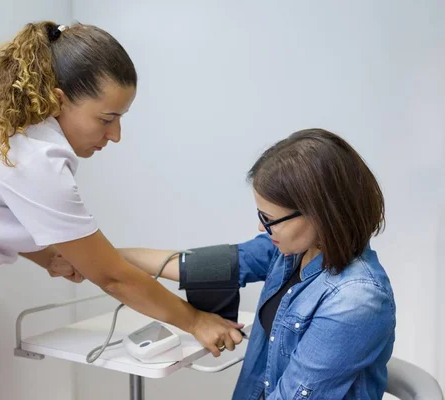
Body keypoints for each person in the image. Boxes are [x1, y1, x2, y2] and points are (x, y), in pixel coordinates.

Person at [0, 21, 243, 400]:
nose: (116, 135)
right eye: (107, 119)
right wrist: (195, 321)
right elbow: (112, 276)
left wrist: (49, 256)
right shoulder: (35, 158)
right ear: (58, 99)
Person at [51, 129, 396, 399]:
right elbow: (193, 265)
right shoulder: (288, 250)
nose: (262, 227)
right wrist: (95, 257)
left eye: (270, 218)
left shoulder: (356, 300)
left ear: (321, 213)